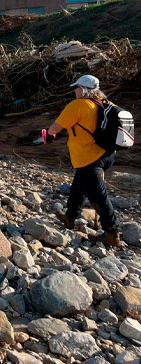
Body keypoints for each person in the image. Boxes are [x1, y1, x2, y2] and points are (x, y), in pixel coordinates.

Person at [44, 74, 121, 247]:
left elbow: (54, 128)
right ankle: (70, 217)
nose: (74, 90)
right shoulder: (106, 103)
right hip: (108, 155)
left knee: (98, 195)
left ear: (84, 90)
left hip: (89, 157)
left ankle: (112, 232)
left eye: (76, 87)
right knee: (79, 184)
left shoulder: (78, 105)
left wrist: (48, 134)